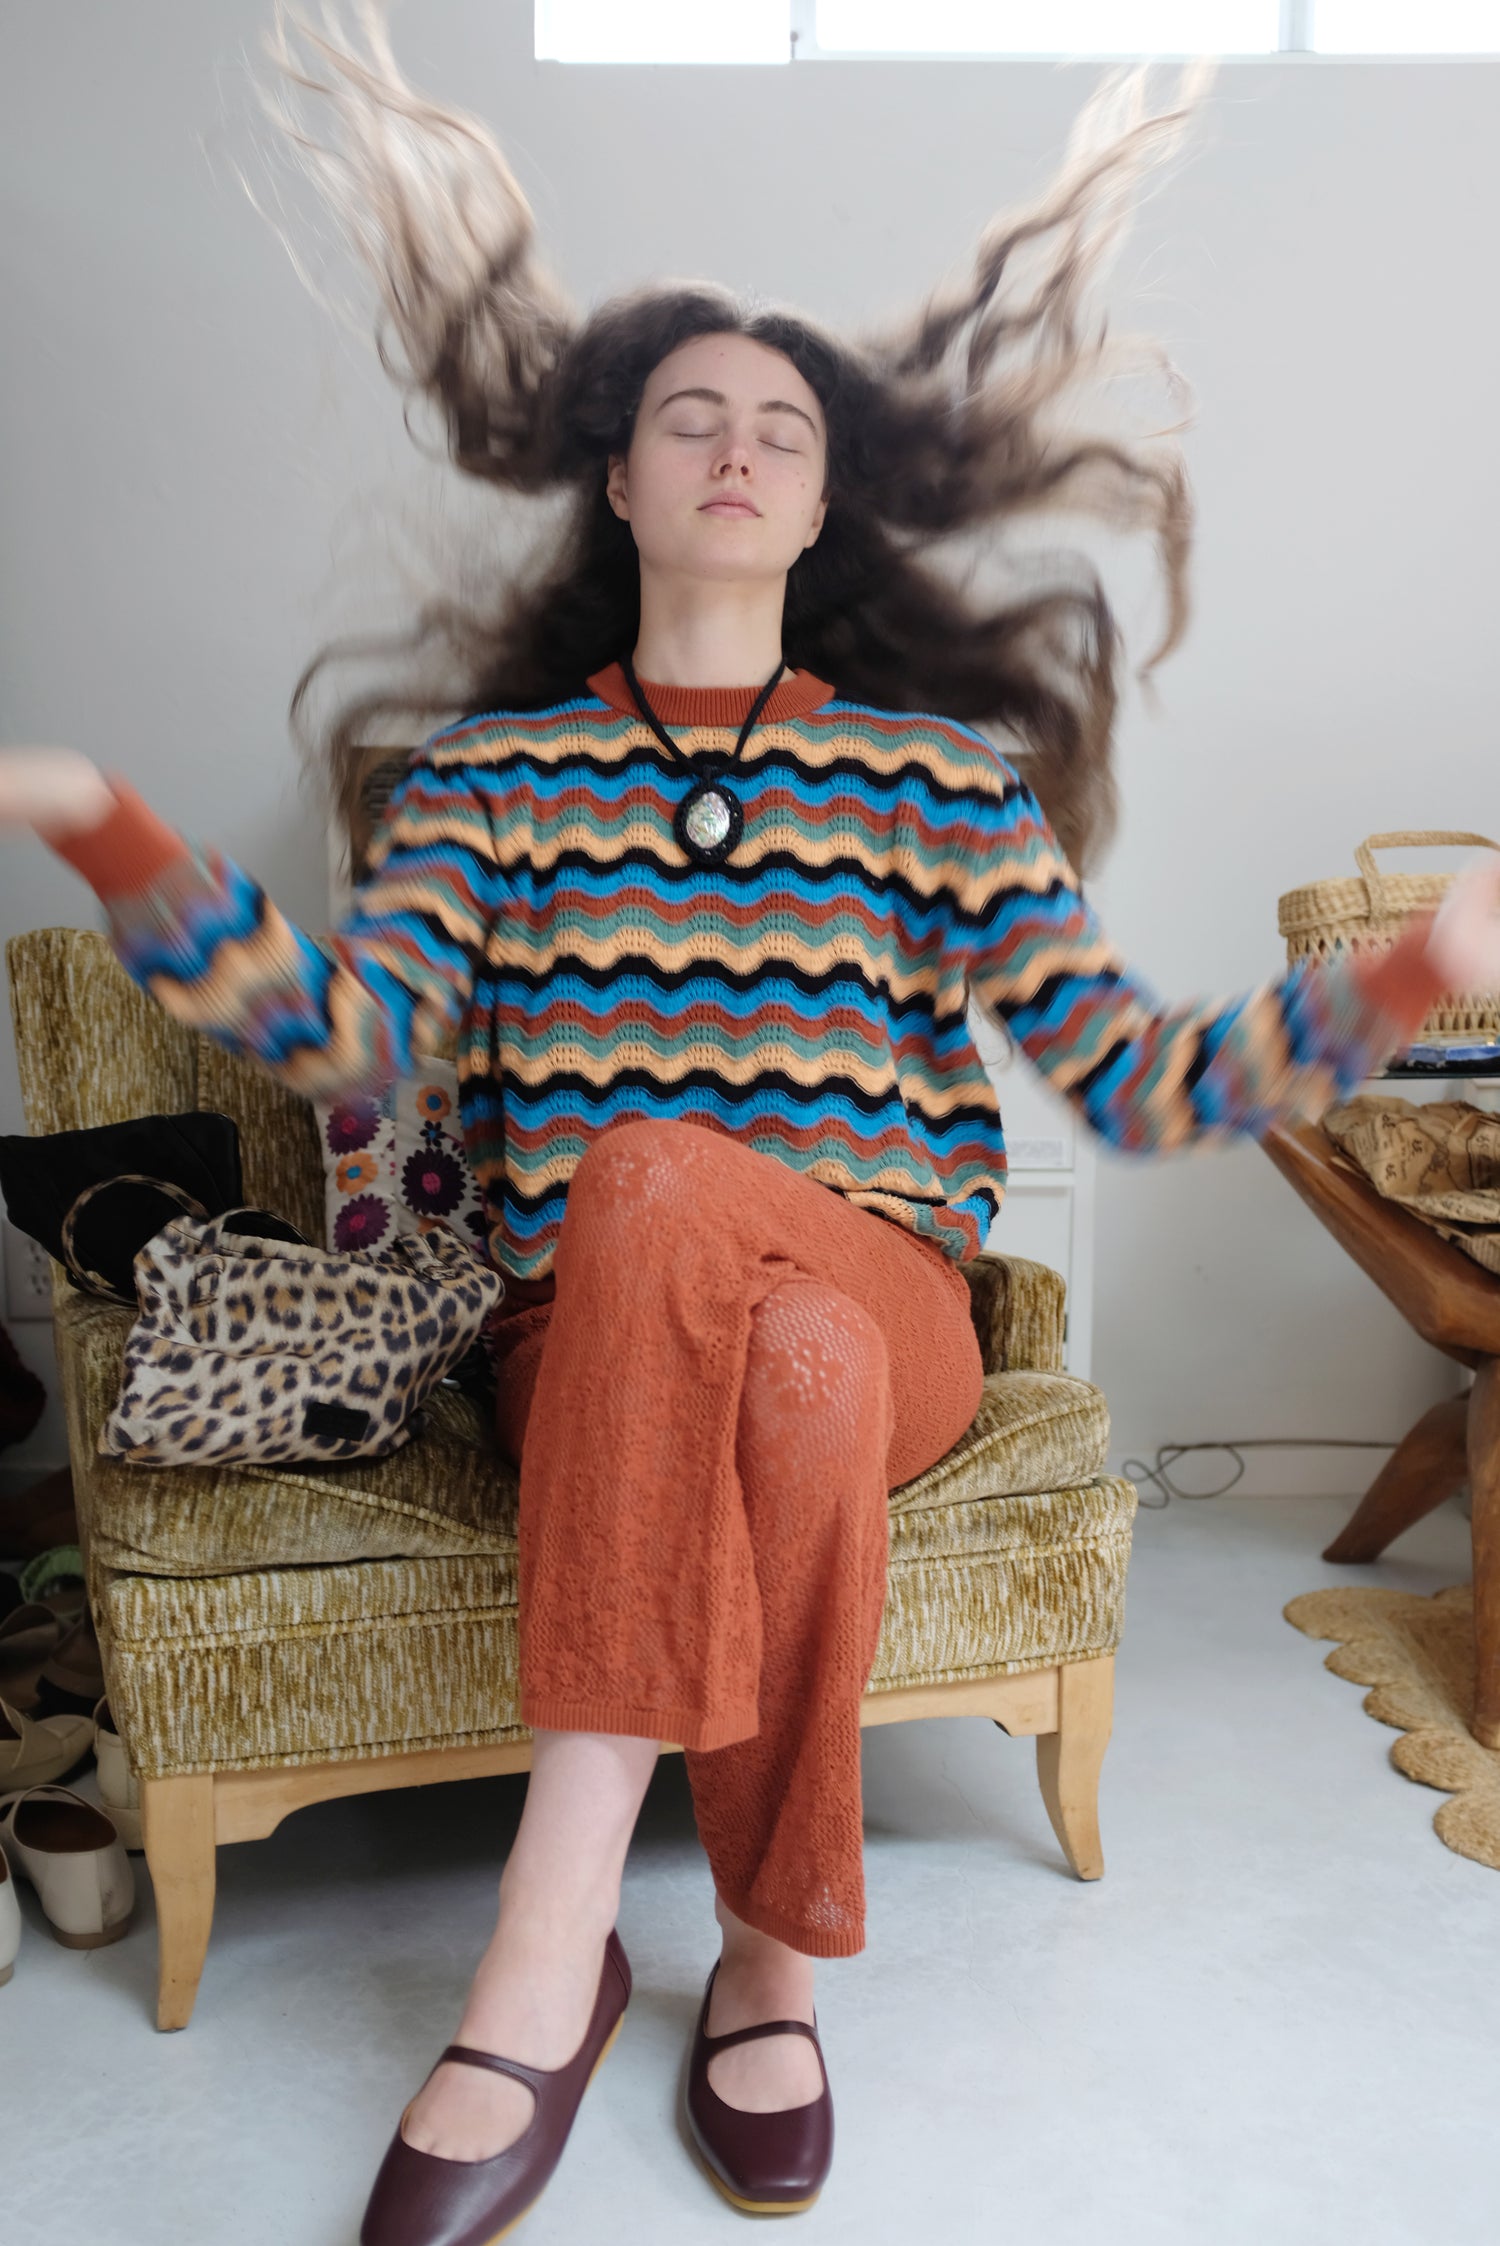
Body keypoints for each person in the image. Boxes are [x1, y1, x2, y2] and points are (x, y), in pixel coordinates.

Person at [3, 11, 1498, 2239]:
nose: (732, 444)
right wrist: (94, 817)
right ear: (614, 482)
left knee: (732, 1238)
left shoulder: (937, 781)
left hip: (897, 1294)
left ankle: (548, 1938)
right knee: (699, 1272)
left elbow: (1139, 1073)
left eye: (777, 425)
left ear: (819, 498)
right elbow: (339, 1038)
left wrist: (1412, 972)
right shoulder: (490, 781)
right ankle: (772, 1961)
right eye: (685, 415)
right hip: (577, 1345)